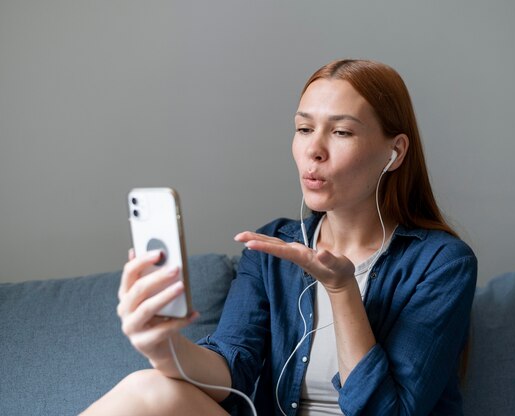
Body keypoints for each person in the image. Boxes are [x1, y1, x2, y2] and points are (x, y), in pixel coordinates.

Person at [82, 59, 477, 416]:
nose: (313, 150)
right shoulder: (275, 245)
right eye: (304, 129)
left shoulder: (443, 263)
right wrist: (160, 347)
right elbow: (231, 370)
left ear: (395, 152)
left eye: (340, 132)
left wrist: (342, 291)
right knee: (148, 387)